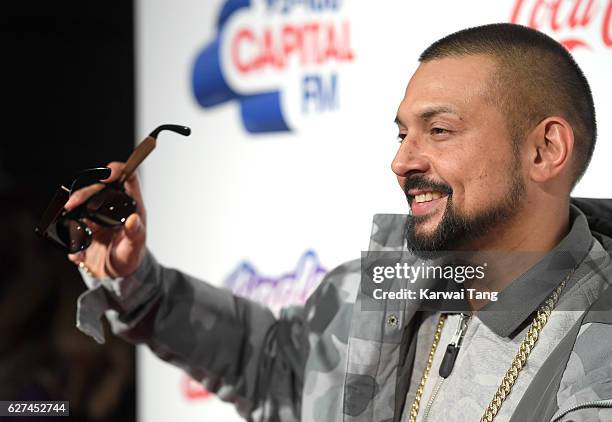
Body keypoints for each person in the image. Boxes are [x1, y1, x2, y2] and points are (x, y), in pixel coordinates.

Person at [66, 23, 612, 422]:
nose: (402, 162)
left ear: (545, 149)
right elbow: (273, 370)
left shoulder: (598, 357)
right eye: (402, 135)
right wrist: (135, 280)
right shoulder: (388, 287)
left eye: (440, 130)